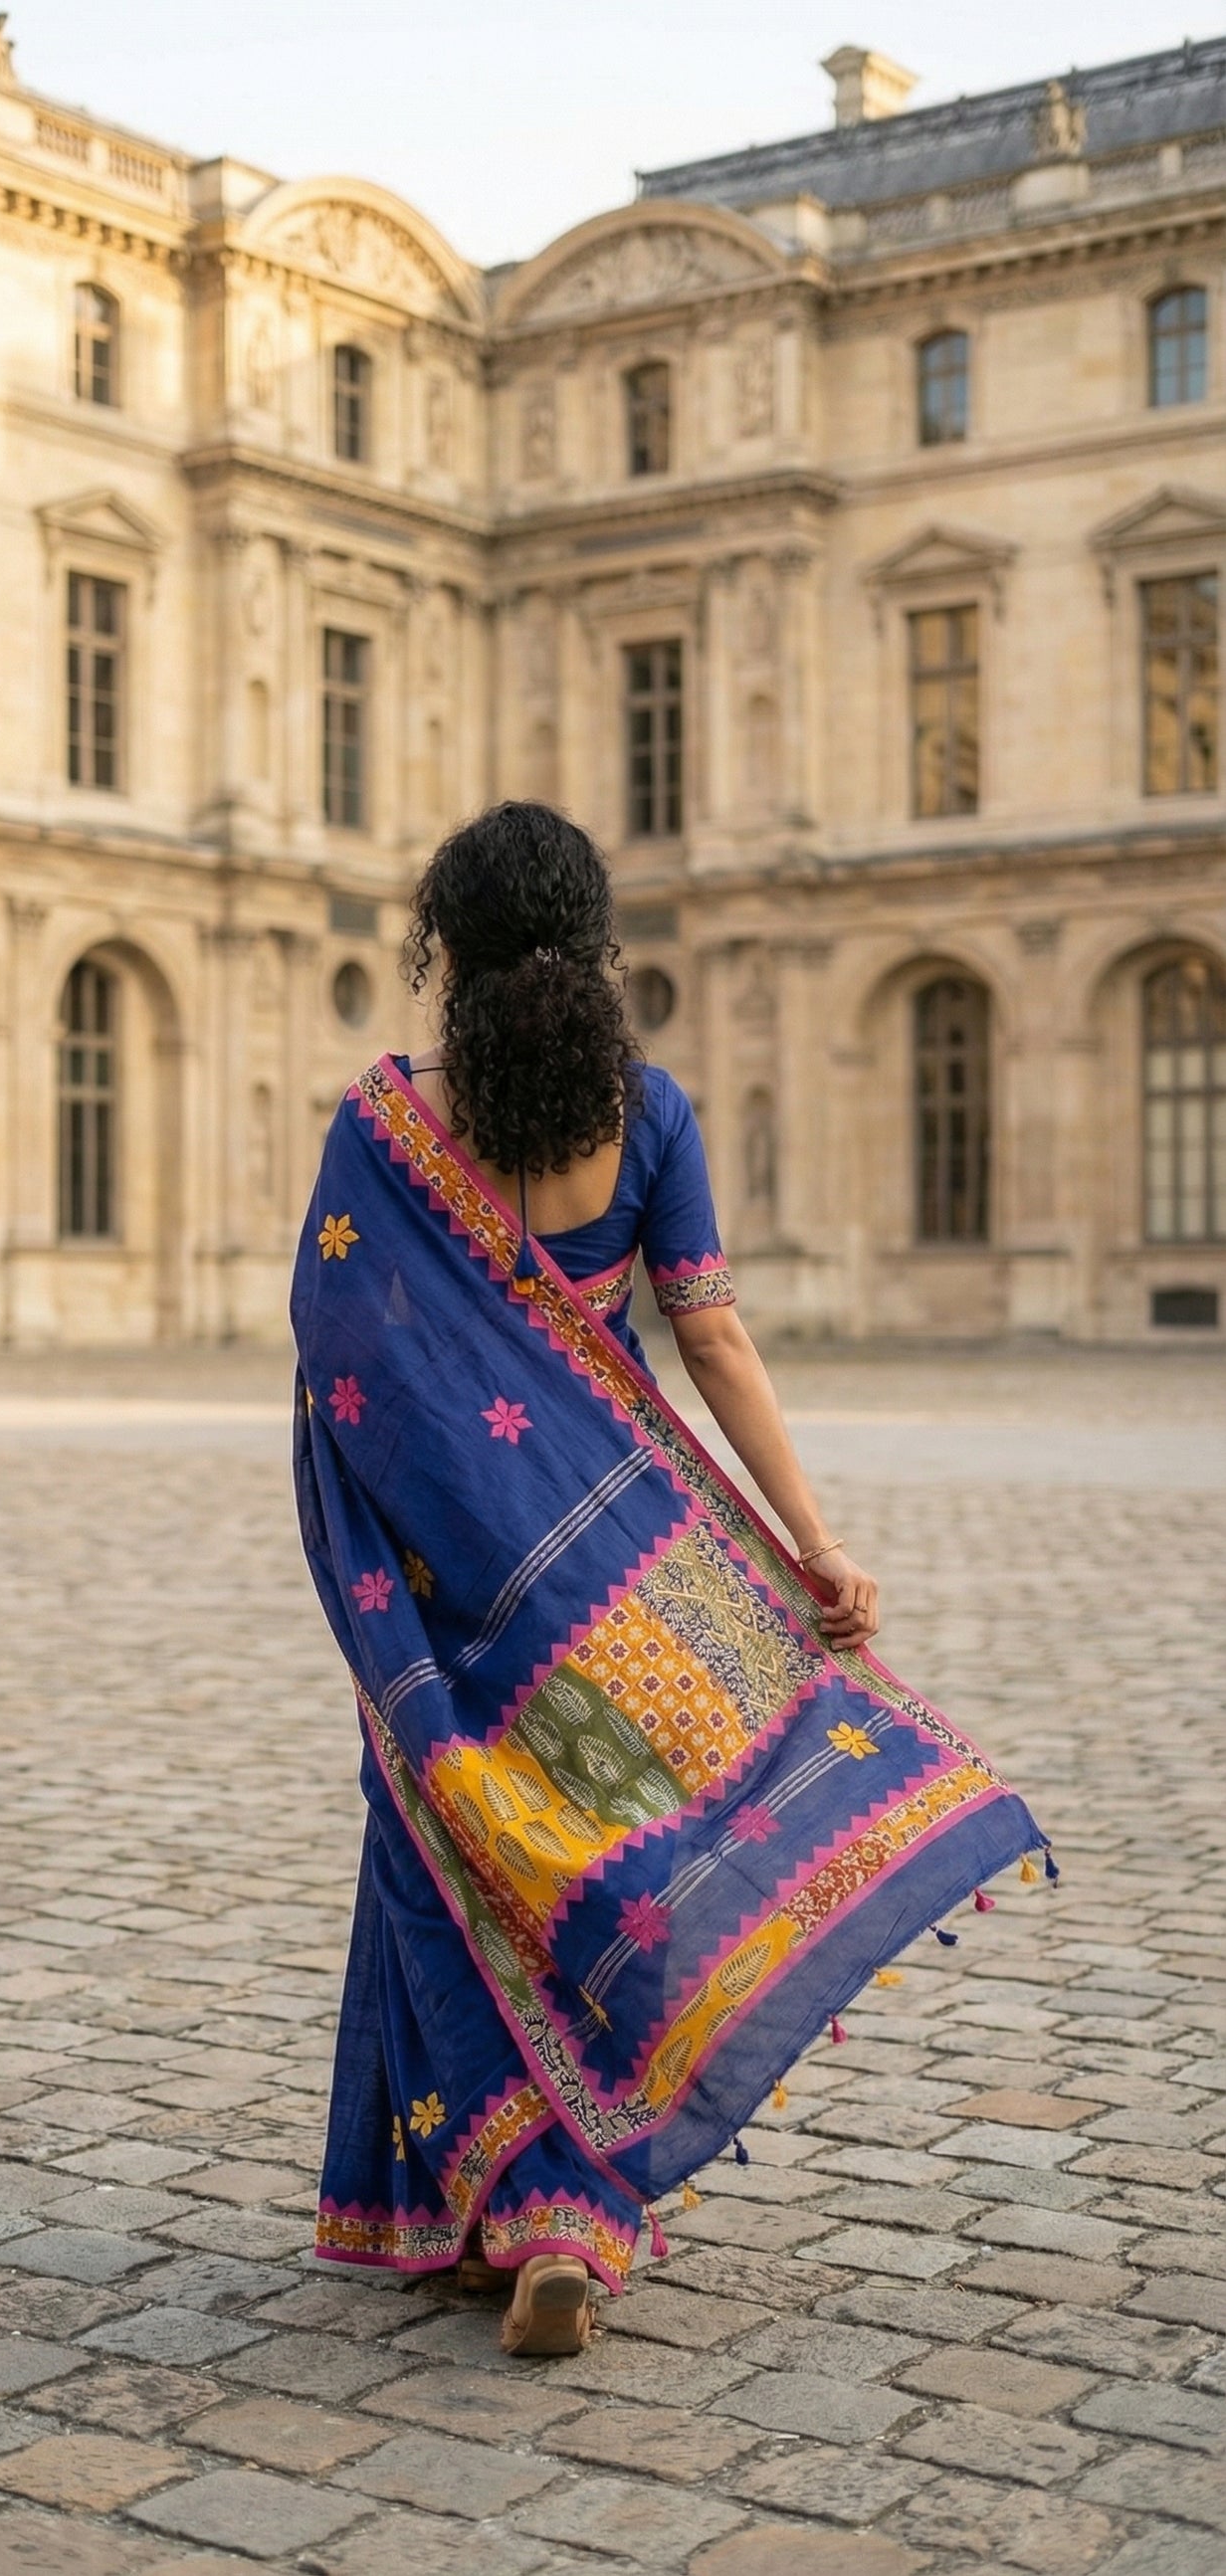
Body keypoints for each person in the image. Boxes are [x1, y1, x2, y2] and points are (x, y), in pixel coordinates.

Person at [292, 802, 1045, 2359]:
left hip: (448, 1597)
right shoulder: (651, 1114)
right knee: (606, 1853)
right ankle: (576, 2208)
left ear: (448, 945)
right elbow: (710, 1337)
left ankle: (491, 2197)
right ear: (592, 936)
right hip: (618, 1589)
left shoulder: (383, 1130)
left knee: (445, 1857)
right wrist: (810, 1541)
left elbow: (338, 1365)